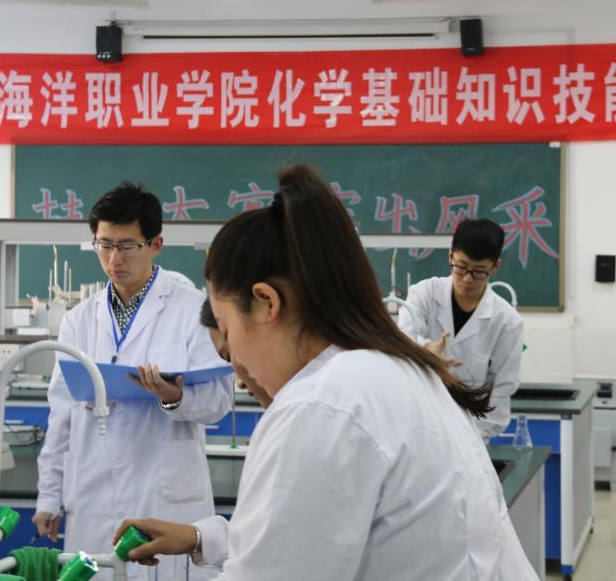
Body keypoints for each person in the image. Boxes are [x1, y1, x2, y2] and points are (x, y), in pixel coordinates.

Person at [111, 164, 538, 580]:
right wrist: (202, 537)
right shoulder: (401, 370)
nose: (237, 371)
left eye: (227, 332)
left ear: (267, 302)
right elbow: (318, 533)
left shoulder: (320, 407)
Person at [33, 181, 232, 580]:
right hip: (94, 496)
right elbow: (62, 416)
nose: (113, 258)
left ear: (155, 244)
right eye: (104, 245)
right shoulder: (78, 320)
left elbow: (219, 402)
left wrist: (174, 397)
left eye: (126, 246)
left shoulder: (192, 310)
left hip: (165, 498)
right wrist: (49, 496)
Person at [397, 218, 524, 439]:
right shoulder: (424, 294)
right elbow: (402, 339)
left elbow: (502, 388)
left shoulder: (507, 321)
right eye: (460, 267)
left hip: (472, 432)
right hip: (417, 423)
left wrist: (473, 437)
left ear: (495, 266)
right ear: (450, 256)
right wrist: (425, 349)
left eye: (479, 271)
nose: (467, 278)